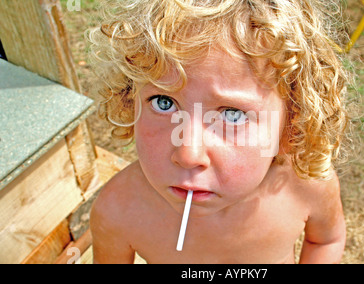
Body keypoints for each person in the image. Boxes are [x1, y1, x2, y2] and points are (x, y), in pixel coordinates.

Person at [89, 0, 350, 264]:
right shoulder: (119, 209)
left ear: (291, 127)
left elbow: (325, 240)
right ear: (129, 100)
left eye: (231, 114)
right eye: (163, 103)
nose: (188, 154)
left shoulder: (306, 187)